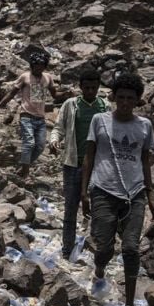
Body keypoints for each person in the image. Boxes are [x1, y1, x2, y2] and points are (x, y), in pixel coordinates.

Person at [80, 72, 154, 306]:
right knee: (104, 248)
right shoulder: (99, 120)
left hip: (134, 193)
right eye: (122, 97)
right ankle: (100, 270)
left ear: (138, 100)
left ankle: (128, 303)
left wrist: (151, 195)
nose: (125, 103)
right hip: (104, 190)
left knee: (131, 249)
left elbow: (145, 161)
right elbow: (89, 156)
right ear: (114, 97)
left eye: (131, 98)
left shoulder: (144, 126)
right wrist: (84, 193)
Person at [49, 67, 107, 259]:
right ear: (81, 87)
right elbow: (59, 127)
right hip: (73, 163)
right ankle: (67, 249)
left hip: (98, 166)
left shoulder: (104, 107)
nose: (90, 91)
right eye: (87, 88)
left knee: (98, 208)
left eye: (94, 88)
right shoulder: (70, 105)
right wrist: (54, 140)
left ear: (98, 87)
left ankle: (97, 249)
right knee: (70, 207)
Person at [0, 45, 58, 179]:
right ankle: (25, 173)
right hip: (26, 116)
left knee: (40, 146)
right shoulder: (25, 77)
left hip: (40, 118)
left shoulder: (48, 78)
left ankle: (23, 166)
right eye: (37, 65)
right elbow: (11, 94)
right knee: (29, 143)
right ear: (32, 65)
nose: (39, 68)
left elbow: (55, 95)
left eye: (42, 65)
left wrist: (68, 93)